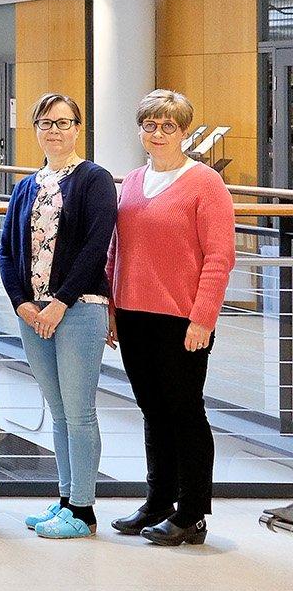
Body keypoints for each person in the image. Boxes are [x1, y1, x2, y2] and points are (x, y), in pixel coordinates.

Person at [108, 89, 236, 547]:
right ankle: (158, 501)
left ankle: (192, 513)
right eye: (150, 125)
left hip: (182, 319)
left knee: (185, 413)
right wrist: (112, 308)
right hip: (134, 313)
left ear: (184, 132)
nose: (158, 133)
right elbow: (116, 250)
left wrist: (203, 318)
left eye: (168, 126)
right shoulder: (135, 181)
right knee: (152, 411)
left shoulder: (204, 183)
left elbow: (220, 257)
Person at [0, 93, 116, 540]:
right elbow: (8, 250)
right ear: (35, 129)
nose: (55, 130)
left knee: (80, 412)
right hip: (33, 315)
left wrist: (60, 302)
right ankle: (66, 498)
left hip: (79, 310)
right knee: (60, 411)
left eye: (64, 122)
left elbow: (95, 247)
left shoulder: (95, 179)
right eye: (46, 123)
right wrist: (22, 303)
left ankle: (83, 510)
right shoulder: (28, 185)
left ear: (78, 128)